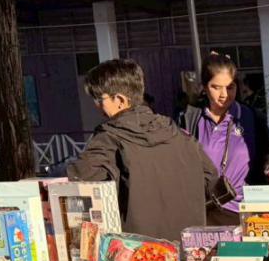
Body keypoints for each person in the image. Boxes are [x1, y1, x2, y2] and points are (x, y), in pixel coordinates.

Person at [67, 59, 230, 241]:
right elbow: (211, 181)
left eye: (99, 99)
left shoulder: (109, 140)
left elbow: (77, 183)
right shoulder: (179, 134)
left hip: (138, 252)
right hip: (189, 249)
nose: (97, 106)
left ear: (120, 100)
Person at [180, 52, 269, 226]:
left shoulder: (251, 117)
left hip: (247, 212)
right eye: (216, 87)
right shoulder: (190, 119)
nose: (224, 95)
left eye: (230, 87)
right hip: (205, 213)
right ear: (204, 87)